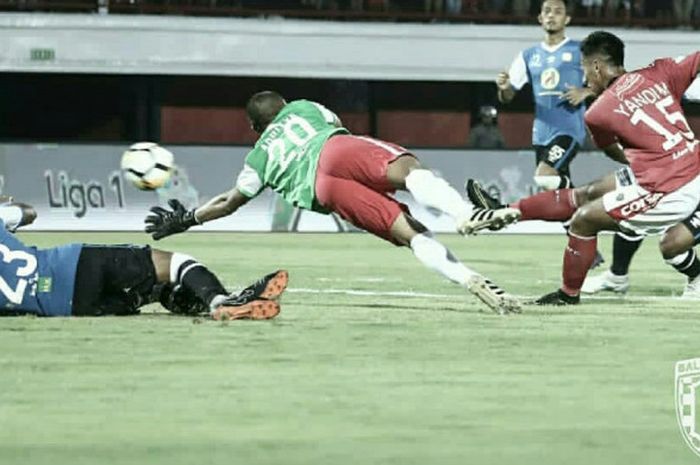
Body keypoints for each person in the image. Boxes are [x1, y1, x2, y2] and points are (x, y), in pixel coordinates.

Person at [144, 92, 522, 314]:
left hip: (323, 190)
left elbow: (229, 201)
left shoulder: (258, 156)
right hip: (335, 149)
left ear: (255, 127)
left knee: (410, 233)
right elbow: (335, 125)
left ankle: (469, 279)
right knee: (407, 169)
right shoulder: (305, 108)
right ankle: (466, 214)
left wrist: (188, 218)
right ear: (284, 105)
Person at [477, 31, 700, 305]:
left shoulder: (598, 113)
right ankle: (506, 210)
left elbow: (613, 151)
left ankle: (568, 295)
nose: (584, 77)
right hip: (689, 164)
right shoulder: (660, 71)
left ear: (596, 66)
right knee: (589, 192)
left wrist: (645, 161)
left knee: (584, 219)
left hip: (673, 187)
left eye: (584, 68)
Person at [0, 198, 288, 319]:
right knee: (175, 263)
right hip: (72, 265)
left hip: (68, 308)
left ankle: (176, 298)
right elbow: (28, 213)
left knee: (154, 290)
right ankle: (221, 301)